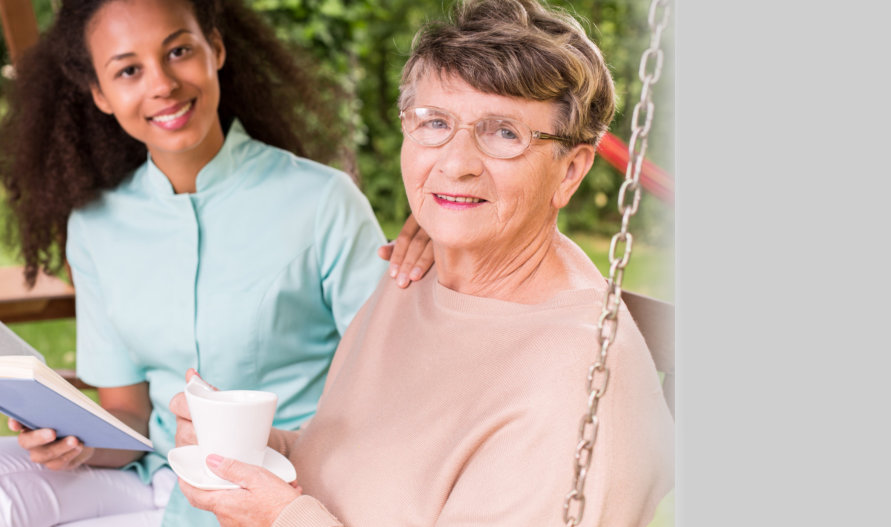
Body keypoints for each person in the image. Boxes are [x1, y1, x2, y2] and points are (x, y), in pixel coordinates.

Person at [173, 0, 675, 525]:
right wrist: (259, 449)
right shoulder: (415, 273)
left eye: (504, 133)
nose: (456, 164)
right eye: (435, 122)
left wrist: (281, 518)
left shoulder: (570, 382)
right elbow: (373, 476)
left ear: (570, 171)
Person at [0, 0, 432, 524]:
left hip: (296, 482)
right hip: (164, 482)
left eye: (178, 51)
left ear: (216, 49)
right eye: (129, 70)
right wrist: (78, 442)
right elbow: (129, 415)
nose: (162, 83)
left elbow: (392, 380)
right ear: (100, 94)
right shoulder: (95, 228)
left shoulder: (322, 201)